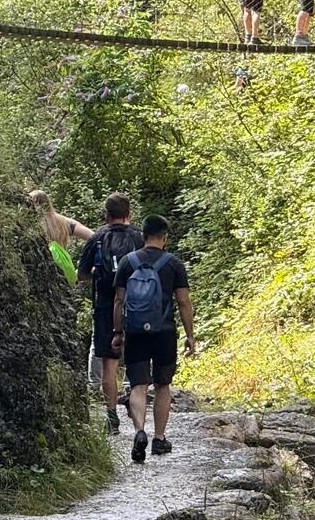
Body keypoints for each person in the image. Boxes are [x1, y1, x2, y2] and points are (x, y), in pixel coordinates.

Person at [110, 216, 194, 464]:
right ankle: (159, 439)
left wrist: (118, 332)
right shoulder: (174, 264)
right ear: (164, 237)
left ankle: (139, 432)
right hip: (164, 331)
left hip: (135, 332)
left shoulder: (128, 262)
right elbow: (184, 302)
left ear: (143, 235)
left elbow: (118, 301)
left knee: (137, 385)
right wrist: (190, 335)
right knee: (162, 385)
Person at [75, 194, 145, 434]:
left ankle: (112, 417)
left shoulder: (96, 239)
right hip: (138, 305)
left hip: (105, 306)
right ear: (129, 213)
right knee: (138, 361)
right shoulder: (140, 237)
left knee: (109, 365)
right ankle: (139, 420)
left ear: (106, 213)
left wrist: (96, 273)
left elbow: (82, 274)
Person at [28, 190, 94, 284]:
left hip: (38, 277)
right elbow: (94, 236)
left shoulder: (28, 225)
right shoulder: (63, 222)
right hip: (62, 274)